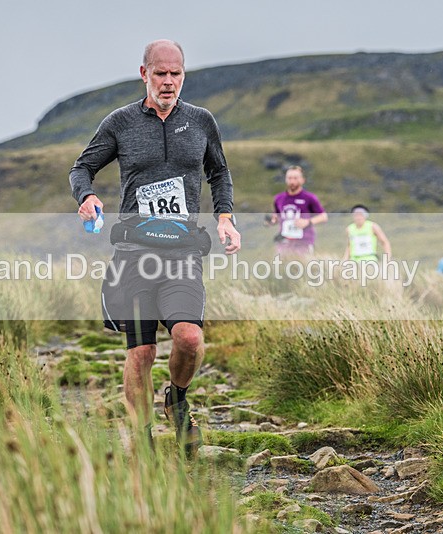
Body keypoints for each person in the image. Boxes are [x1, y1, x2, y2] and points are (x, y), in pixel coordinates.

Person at [69, 39, 241, 454]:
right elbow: (83, 167)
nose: (168, 82)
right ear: (144, 73)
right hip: (135, 255)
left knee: (189, 339)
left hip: (183, 253)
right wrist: (86, 197)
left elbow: (219, 172)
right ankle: (141, 440)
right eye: (160, 73)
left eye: (176, 74)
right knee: (141, 351)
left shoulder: (201, 122)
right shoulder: (121, 122)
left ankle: (177, 401)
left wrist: (224, 218)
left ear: (184, 74)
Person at [268, 165, 327, 256]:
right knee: (280, 268)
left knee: (302, 268)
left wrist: (308, 222)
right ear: (286, 179)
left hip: (303, 243)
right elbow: (277, 215)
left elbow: (323, 217)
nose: (292, 181)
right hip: (284, 243)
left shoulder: (309, 198)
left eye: (295, 178)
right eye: (289, 178)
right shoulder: (279, 198)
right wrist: (272, 220)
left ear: (302, 180)